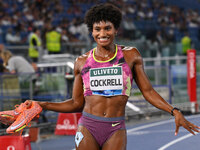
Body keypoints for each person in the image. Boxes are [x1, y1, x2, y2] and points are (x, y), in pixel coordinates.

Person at [25, 3, 199, 150]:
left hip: (115, 128)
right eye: (97, 29)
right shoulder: (82, 62)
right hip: (88, 126)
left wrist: (174, 111)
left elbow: (148, 91)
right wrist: (42, 105)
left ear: (116, 30)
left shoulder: (131, 56)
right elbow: (76, 103)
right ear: (92, 32)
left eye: (107, 28)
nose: (102, 33)